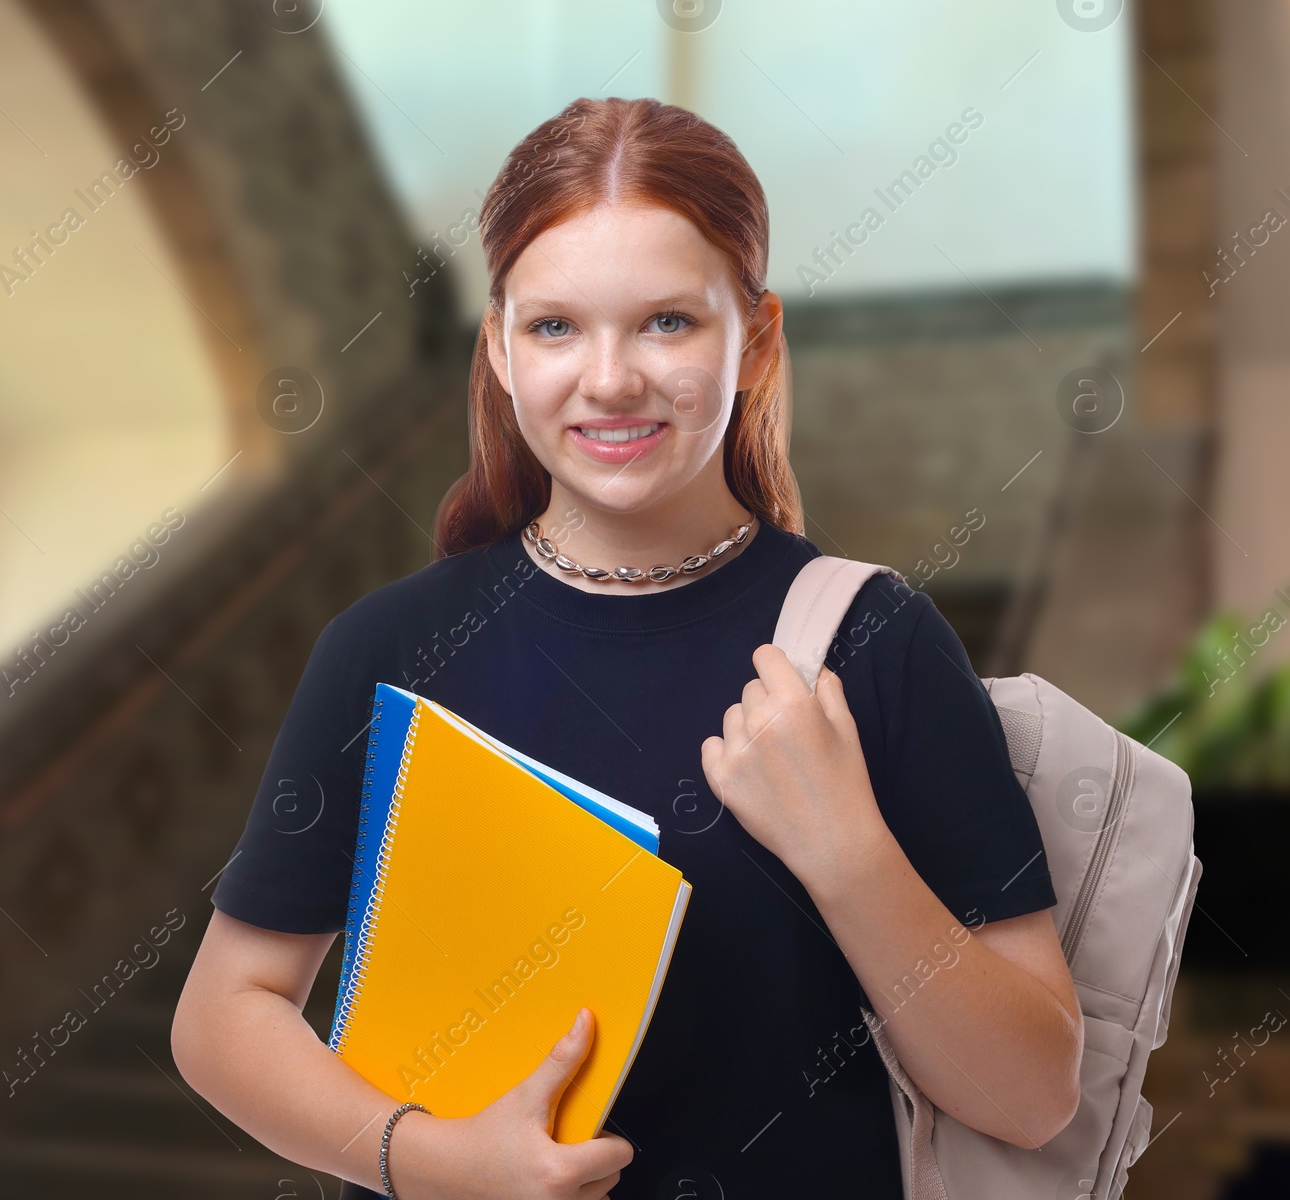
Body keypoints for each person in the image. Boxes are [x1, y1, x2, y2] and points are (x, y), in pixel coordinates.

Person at [171, 96, 1083, 1200]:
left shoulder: (873, 643)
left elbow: (1032, 1095)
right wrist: (435, 1162)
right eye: (554, 326)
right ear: (499, 351)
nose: (609, 379)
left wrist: (846, 854)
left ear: (756, 342)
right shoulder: (389, 646)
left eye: (667, 322)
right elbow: (225, 1016)